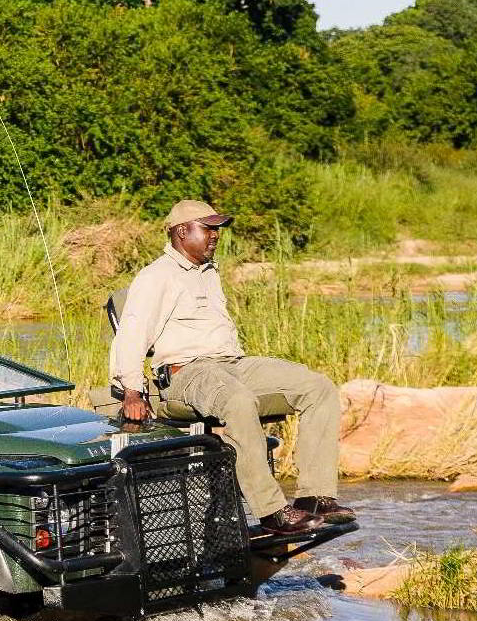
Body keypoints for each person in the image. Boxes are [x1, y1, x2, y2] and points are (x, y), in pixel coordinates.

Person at [111, 200, 354, 535]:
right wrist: (132, 392)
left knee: (318, 387)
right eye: (208, 228)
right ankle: (271, 511)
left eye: (217, 228)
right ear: (183, 231)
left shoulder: (208, 272)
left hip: (231, 365)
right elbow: (131, 334)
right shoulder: (156, 277)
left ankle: (314, 496)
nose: (216, 235)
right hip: (187, 373)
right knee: (238, 400)